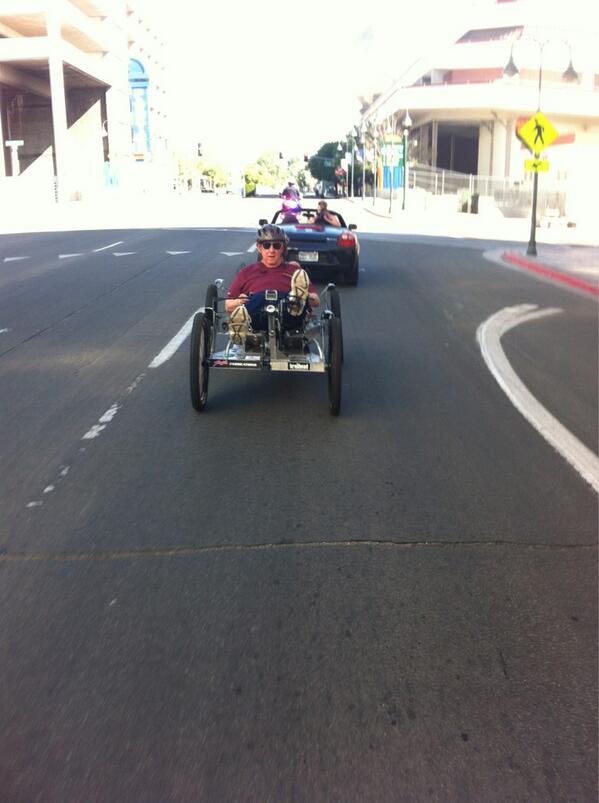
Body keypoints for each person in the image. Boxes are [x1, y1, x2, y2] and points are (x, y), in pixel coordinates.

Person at [225, 224, 320, 345]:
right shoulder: (246, 272)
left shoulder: (296, 273)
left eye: (276, 245)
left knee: (290, 300)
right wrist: (239, 301)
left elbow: (316, 301)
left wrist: (305, 297)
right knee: (258, 298)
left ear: (283, 248)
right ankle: (240, 325)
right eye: (266, 245)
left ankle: (296, 302)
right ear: (259, 247)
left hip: (287, 313)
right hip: (256, 313)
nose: (271, 250)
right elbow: (227, 305)